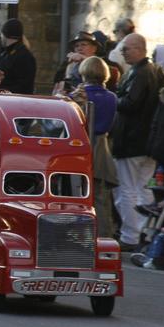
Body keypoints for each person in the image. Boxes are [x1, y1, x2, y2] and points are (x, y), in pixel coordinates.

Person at [110, 32, 161, 251]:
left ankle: (131, 236)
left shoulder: (141, 73)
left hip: (133, 141)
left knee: (127, 190)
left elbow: (131, 103)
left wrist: (112, 98)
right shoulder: (148, 71)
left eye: (127, 49)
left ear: (140, 49)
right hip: (142, 141)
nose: (123, 52)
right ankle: (143, 233)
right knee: (141, 189)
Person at [70, 57, 119, 237]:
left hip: (81, 145)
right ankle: (104, 235)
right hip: (102, 146)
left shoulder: (77, 96)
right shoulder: (112, 97)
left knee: (77, 194)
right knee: (100, 196)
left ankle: (78, 234)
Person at [0, 19, 37, 94]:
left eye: (2, 34)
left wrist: (3, 90)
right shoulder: (3, 53)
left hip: (15, 101)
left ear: (6, 35)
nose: (1, 37)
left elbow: (24, 85)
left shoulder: (24, 56)